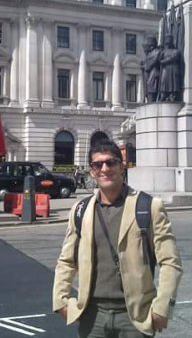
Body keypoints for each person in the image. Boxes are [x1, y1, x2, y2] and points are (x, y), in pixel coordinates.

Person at [53, 140, 183, 337]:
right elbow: (67, 260)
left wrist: (163, 307)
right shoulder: (80, 210)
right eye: (98, 165)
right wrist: (60, 300)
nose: (105, 169)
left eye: (111, 162)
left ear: (122, 167)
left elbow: (170, 262)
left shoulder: (148, 206)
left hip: (134, 317)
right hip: (91, 315)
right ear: (92, 171)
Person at [158, 34, 183, 102]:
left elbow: (174, 58)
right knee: (164, 82)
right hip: (165, 69)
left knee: (173, 83)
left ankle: (172, 95)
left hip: (173, 68)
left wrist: (164, 61)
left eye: (169, 41)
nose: (168, 44)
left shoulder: (176, 51)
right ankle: (163, 95)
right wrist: (161, 54)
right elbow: (159, 60)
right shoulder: (163, 51)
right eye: (167, 42)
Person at [142, 35, 162, 103]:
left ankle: (151, 102)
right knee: (149, 91)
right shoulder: (149, 54)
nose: (145, 49)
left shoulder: (157, 52)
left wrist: (145, 65)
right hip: (149, 76)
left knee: (152, 91)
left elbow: (150, 64)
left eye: (146, 46)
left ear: (151, 46)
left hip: (154, 74)